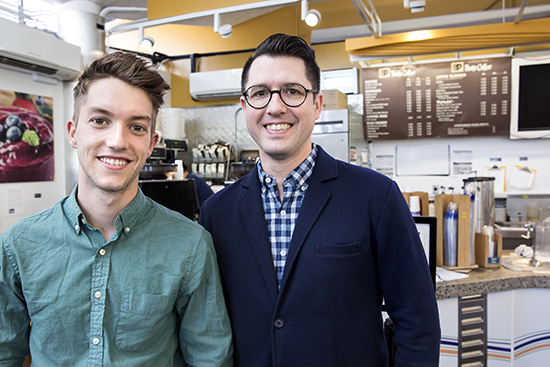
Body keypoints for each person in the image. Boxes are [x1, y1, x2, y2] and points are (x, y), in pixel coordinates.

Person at [199, 33, 440, 366]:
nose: (275, 106)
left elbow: (417, 321)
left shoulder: (376, 197)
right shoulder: (217, 212)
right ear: (245, 106)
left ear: (317, 104)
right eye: (259, 93)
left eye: (292, 91)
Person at [0, 51, 233, 367]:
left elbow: (210, 359)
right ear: (72, 132)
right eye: (100, 121)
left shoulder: (190, 246)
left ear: (151, 143)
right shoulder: (18, 245)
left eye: (136, 127)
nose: (117, 141)